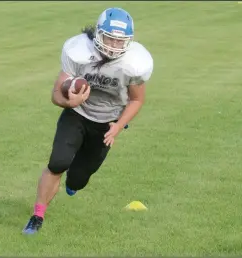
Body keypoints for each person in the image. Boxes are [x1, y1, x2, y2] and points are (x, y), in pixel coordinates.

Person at [22, 7, 153, 234]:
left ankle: (73, 184)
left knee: (79, 179)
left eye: (119, 41)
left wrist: (118, 126)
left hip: (107, 123)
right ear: (98, 34)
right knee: (57, 163)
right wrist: (69, 102)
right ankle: (37, 216)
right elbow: (56, 93)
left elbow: (136, 100)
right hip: (77, 114)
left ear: (129, 42)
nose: (113, 45)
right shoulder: (79, 51)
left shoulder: (134, 63)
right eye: (109, 39)